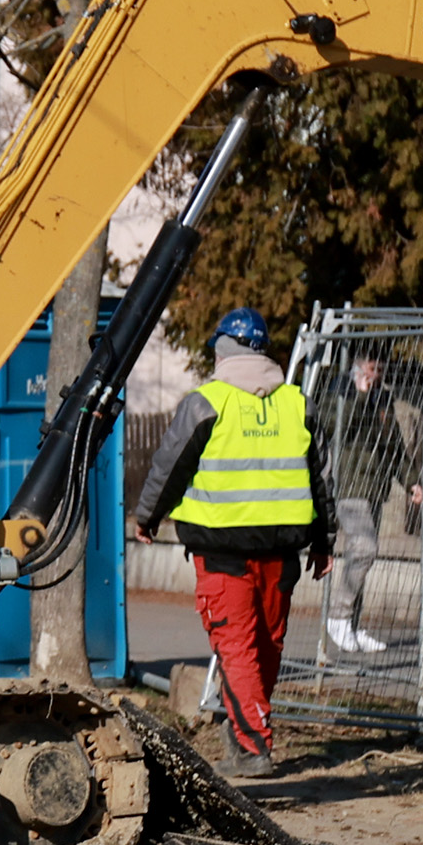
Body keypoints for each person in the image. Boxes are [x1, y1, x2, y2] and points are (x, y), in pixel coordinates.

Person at [130, 306, 332, 776]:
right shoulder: (296, 403)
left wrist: (148, 518)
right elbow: (320, 480)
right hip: (283, 553)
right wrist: (324, 543)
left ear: (222, 351)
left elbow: (169, 466)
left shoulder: (205, 402)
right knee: (265, 648)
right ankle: (246, 736)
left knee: (237, 648)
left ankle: (254, 747)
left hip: (222, 553)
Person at [321, 352, 418, 656]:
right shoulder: (339, 390)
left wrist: (411, 480)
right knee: (364, 547)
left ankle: (351, 624)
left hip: (374, 487)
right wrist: (360, 396)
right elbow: (334, 428)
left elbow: (393, 445)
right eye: (373, 369)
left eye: (381, 370)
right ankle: (337, 616)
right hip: (348, 486)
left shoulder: (383, 399)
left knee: (361, 558)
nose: (377, 375)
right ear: (358, 367)